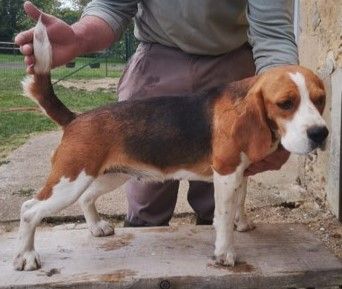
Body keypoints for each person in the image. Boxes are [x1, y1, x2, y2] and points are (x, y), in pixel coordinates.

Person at [16, 0, 297, 227]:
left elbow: (272, 34)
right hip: (158, 58)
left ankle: (216, 251)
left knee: (226, 184)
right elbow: (112, 6)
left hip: (231, 67)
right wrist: (78, 37)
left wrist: (286, 112)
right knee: (146, 200)